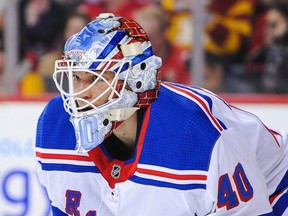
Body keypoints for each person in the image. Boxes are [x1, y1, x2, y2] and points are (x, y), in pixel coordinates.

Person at [35, 13, 288, 215]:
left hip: (274, 188)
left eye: (95, 79)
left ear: (133, 80)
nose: (81, 93)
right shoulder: (55, 126)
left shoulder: (195, 134)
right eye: (76, 77)